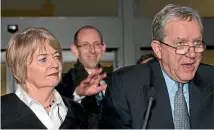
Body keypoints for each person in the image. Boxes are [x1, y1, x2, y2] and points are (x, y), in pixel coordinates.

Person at [101, 4, 214, 129]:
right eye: (181, 44)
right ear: (158, 49)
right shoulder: (126, 86)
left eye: (197, 43)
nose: (192, 54)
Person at [1, 27, 103, 129]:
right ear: (20, 67)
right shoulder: (3, 110)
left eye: (56, 56)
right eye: (43, 59)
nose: (55, 64)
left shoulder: (77, 111)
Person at [56, 25, 107, 128]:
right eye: (85, 45)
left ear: (103, 48)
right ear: (75, 50)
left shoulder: (116, 81)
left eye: (97, 44)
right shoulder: (62, 83)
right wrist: (77, 95)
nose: (92, 50)